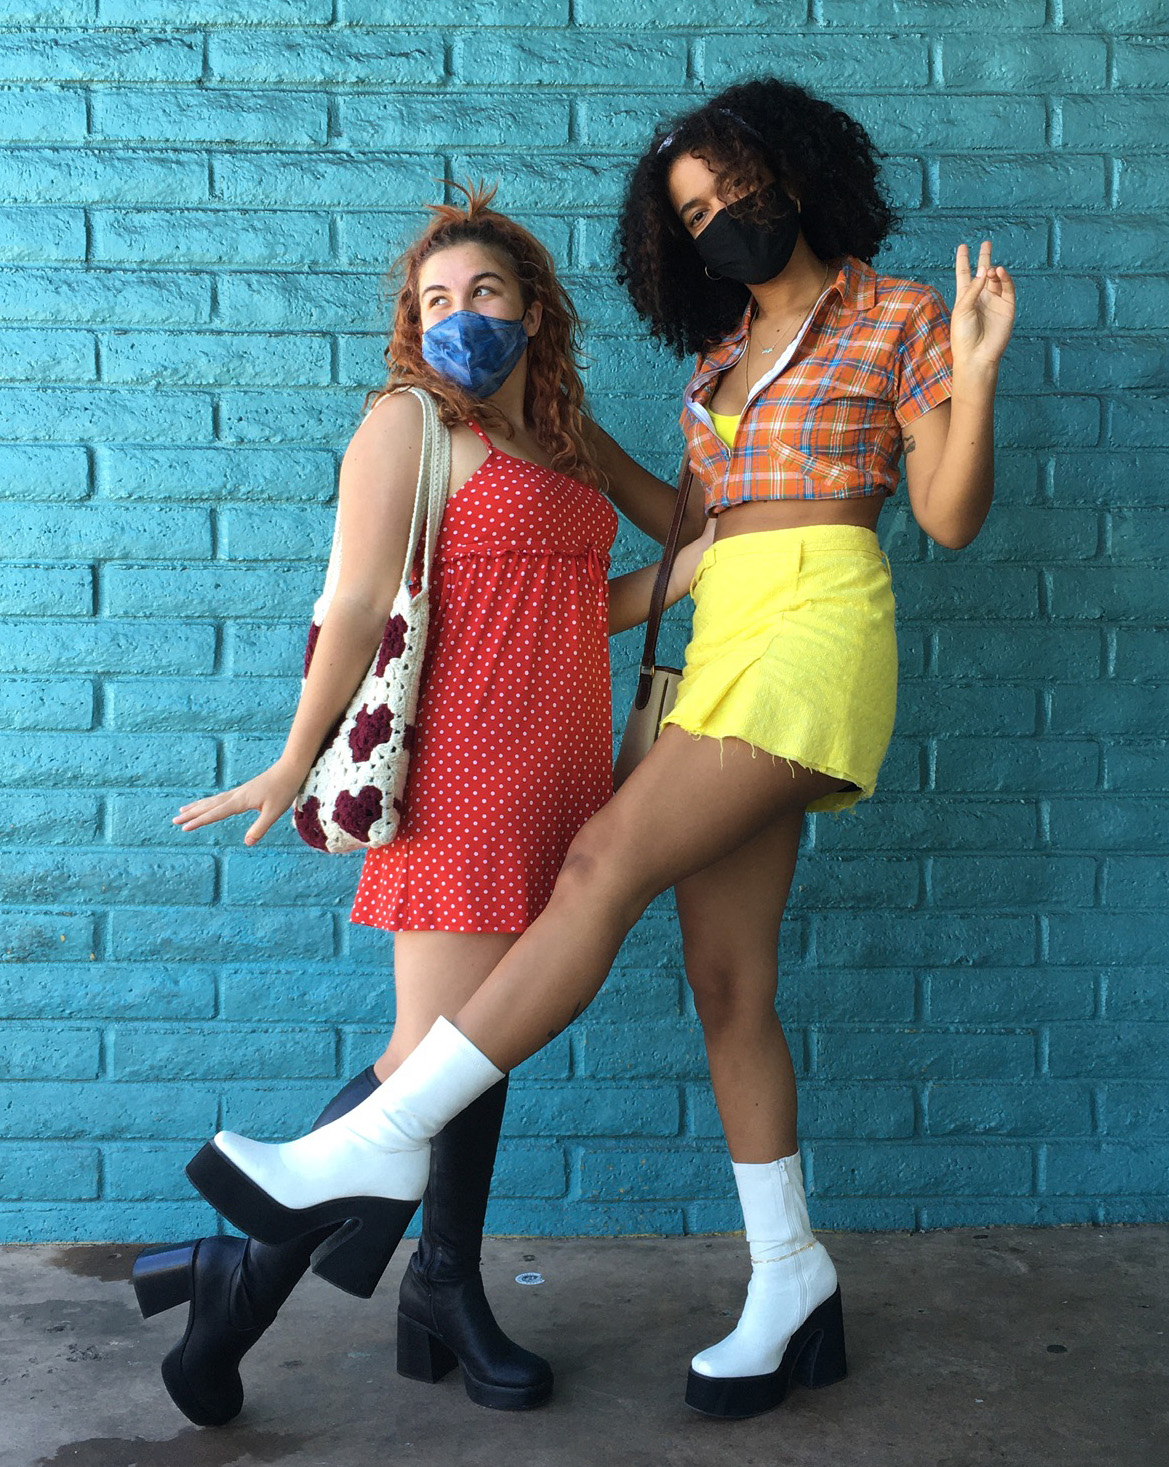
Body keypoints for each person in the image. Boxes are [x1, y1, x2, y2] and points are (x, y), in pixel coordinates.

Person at [183, 77, 1017, 1421]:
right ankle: (791, 1275)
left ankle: (376, 1146)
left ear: (797, 175)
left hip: (816, 627)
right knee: (728, 983)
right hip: (719, 642)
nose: (721, 220)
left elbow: (947, 513)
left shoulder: (899, 316)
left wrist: (971, 384)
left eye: (736, 190)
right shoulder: (715, 362)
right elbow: (667, 533)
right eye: (694, 213)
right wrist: (558, 449)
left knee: (602, 862)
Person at [132, 184, 710, 1426]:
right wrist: (293, 759)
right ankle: (231, 1294)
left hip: (560, 775)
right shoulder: (407, 422)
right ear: (412, 321)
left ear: (534, 306)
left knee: (474, 1051)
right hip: (459, 779)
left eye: (485, 292)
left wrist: (738, 463)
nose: (463, 315)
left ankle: (440, 1289)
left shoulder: (564, 431)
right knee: (424, 1063)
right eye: (437, 298)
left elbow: (637, 566)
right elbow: (349, 607)